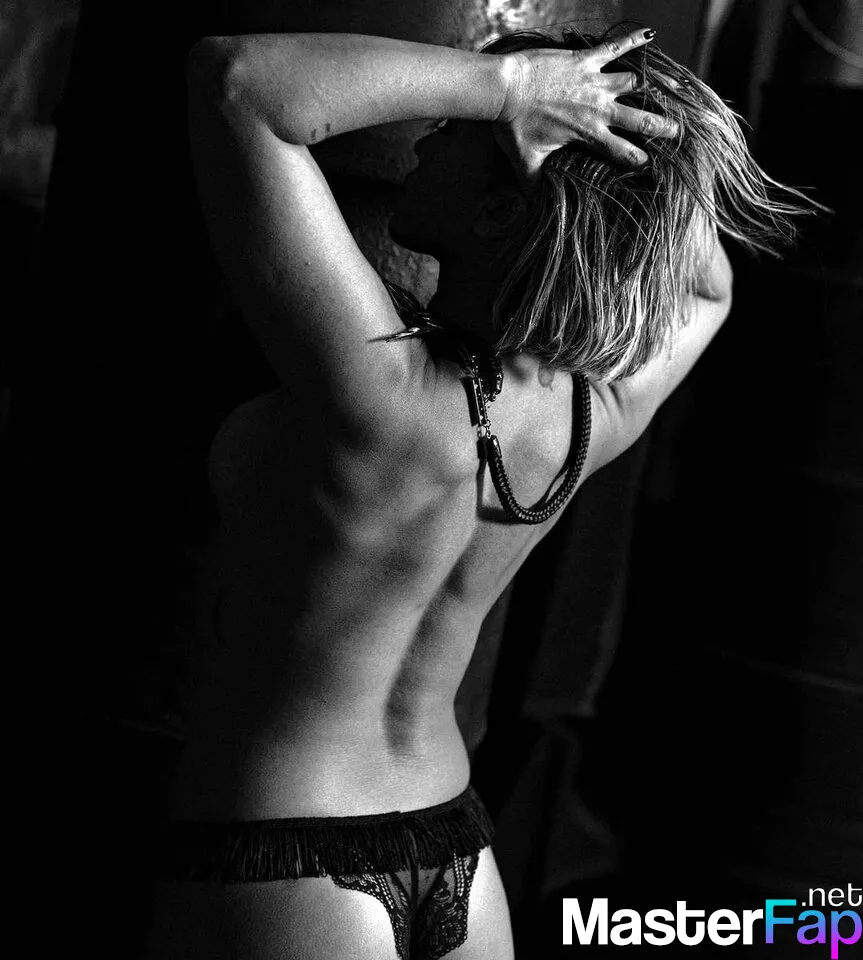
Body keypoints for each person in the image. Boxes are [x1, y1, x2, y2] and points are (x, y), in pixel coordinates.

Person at [145, 23, 812, 960]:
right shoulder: (588, 418)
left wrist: (512, 88)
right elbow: (707, 289)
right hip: (454, 838)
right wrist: (642, 145)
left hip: (289, 851)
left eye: (459, 131)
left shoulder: (378, 391)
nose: (429, 132)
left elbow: (239, 81)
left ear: (498, 216)